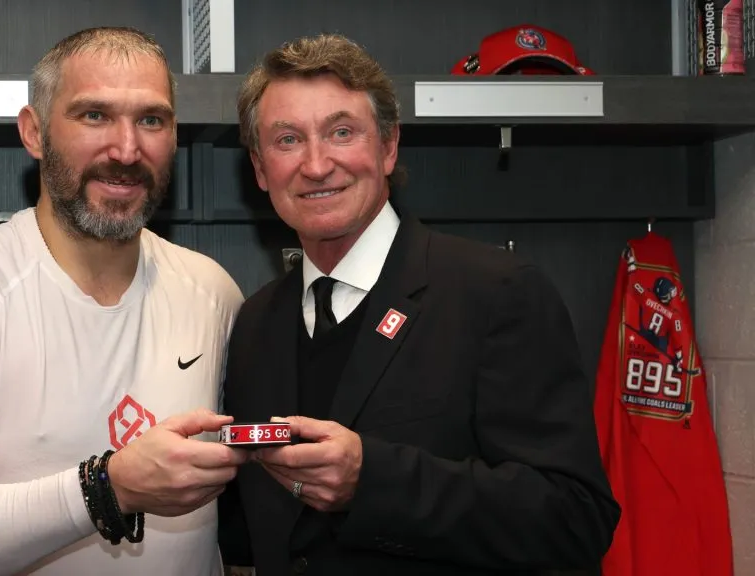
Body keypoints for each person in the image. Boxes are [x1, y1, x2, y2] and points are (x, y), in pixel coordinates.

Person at [218, 33, 621, 575]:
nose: (315, 165)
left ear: (388, 147)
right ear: (261, 169)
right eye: (287, 140)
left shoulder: (498, 294)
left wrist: (374, 479)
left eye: (341, 132)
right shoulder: (255, 324)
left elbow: (576, 519)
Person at [0, 27, 247, 576]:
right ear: (35, 132)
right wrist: (106, 490)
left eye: (151, 120)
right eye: (94, 115)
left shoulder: (213, 292)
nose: (126, 149)